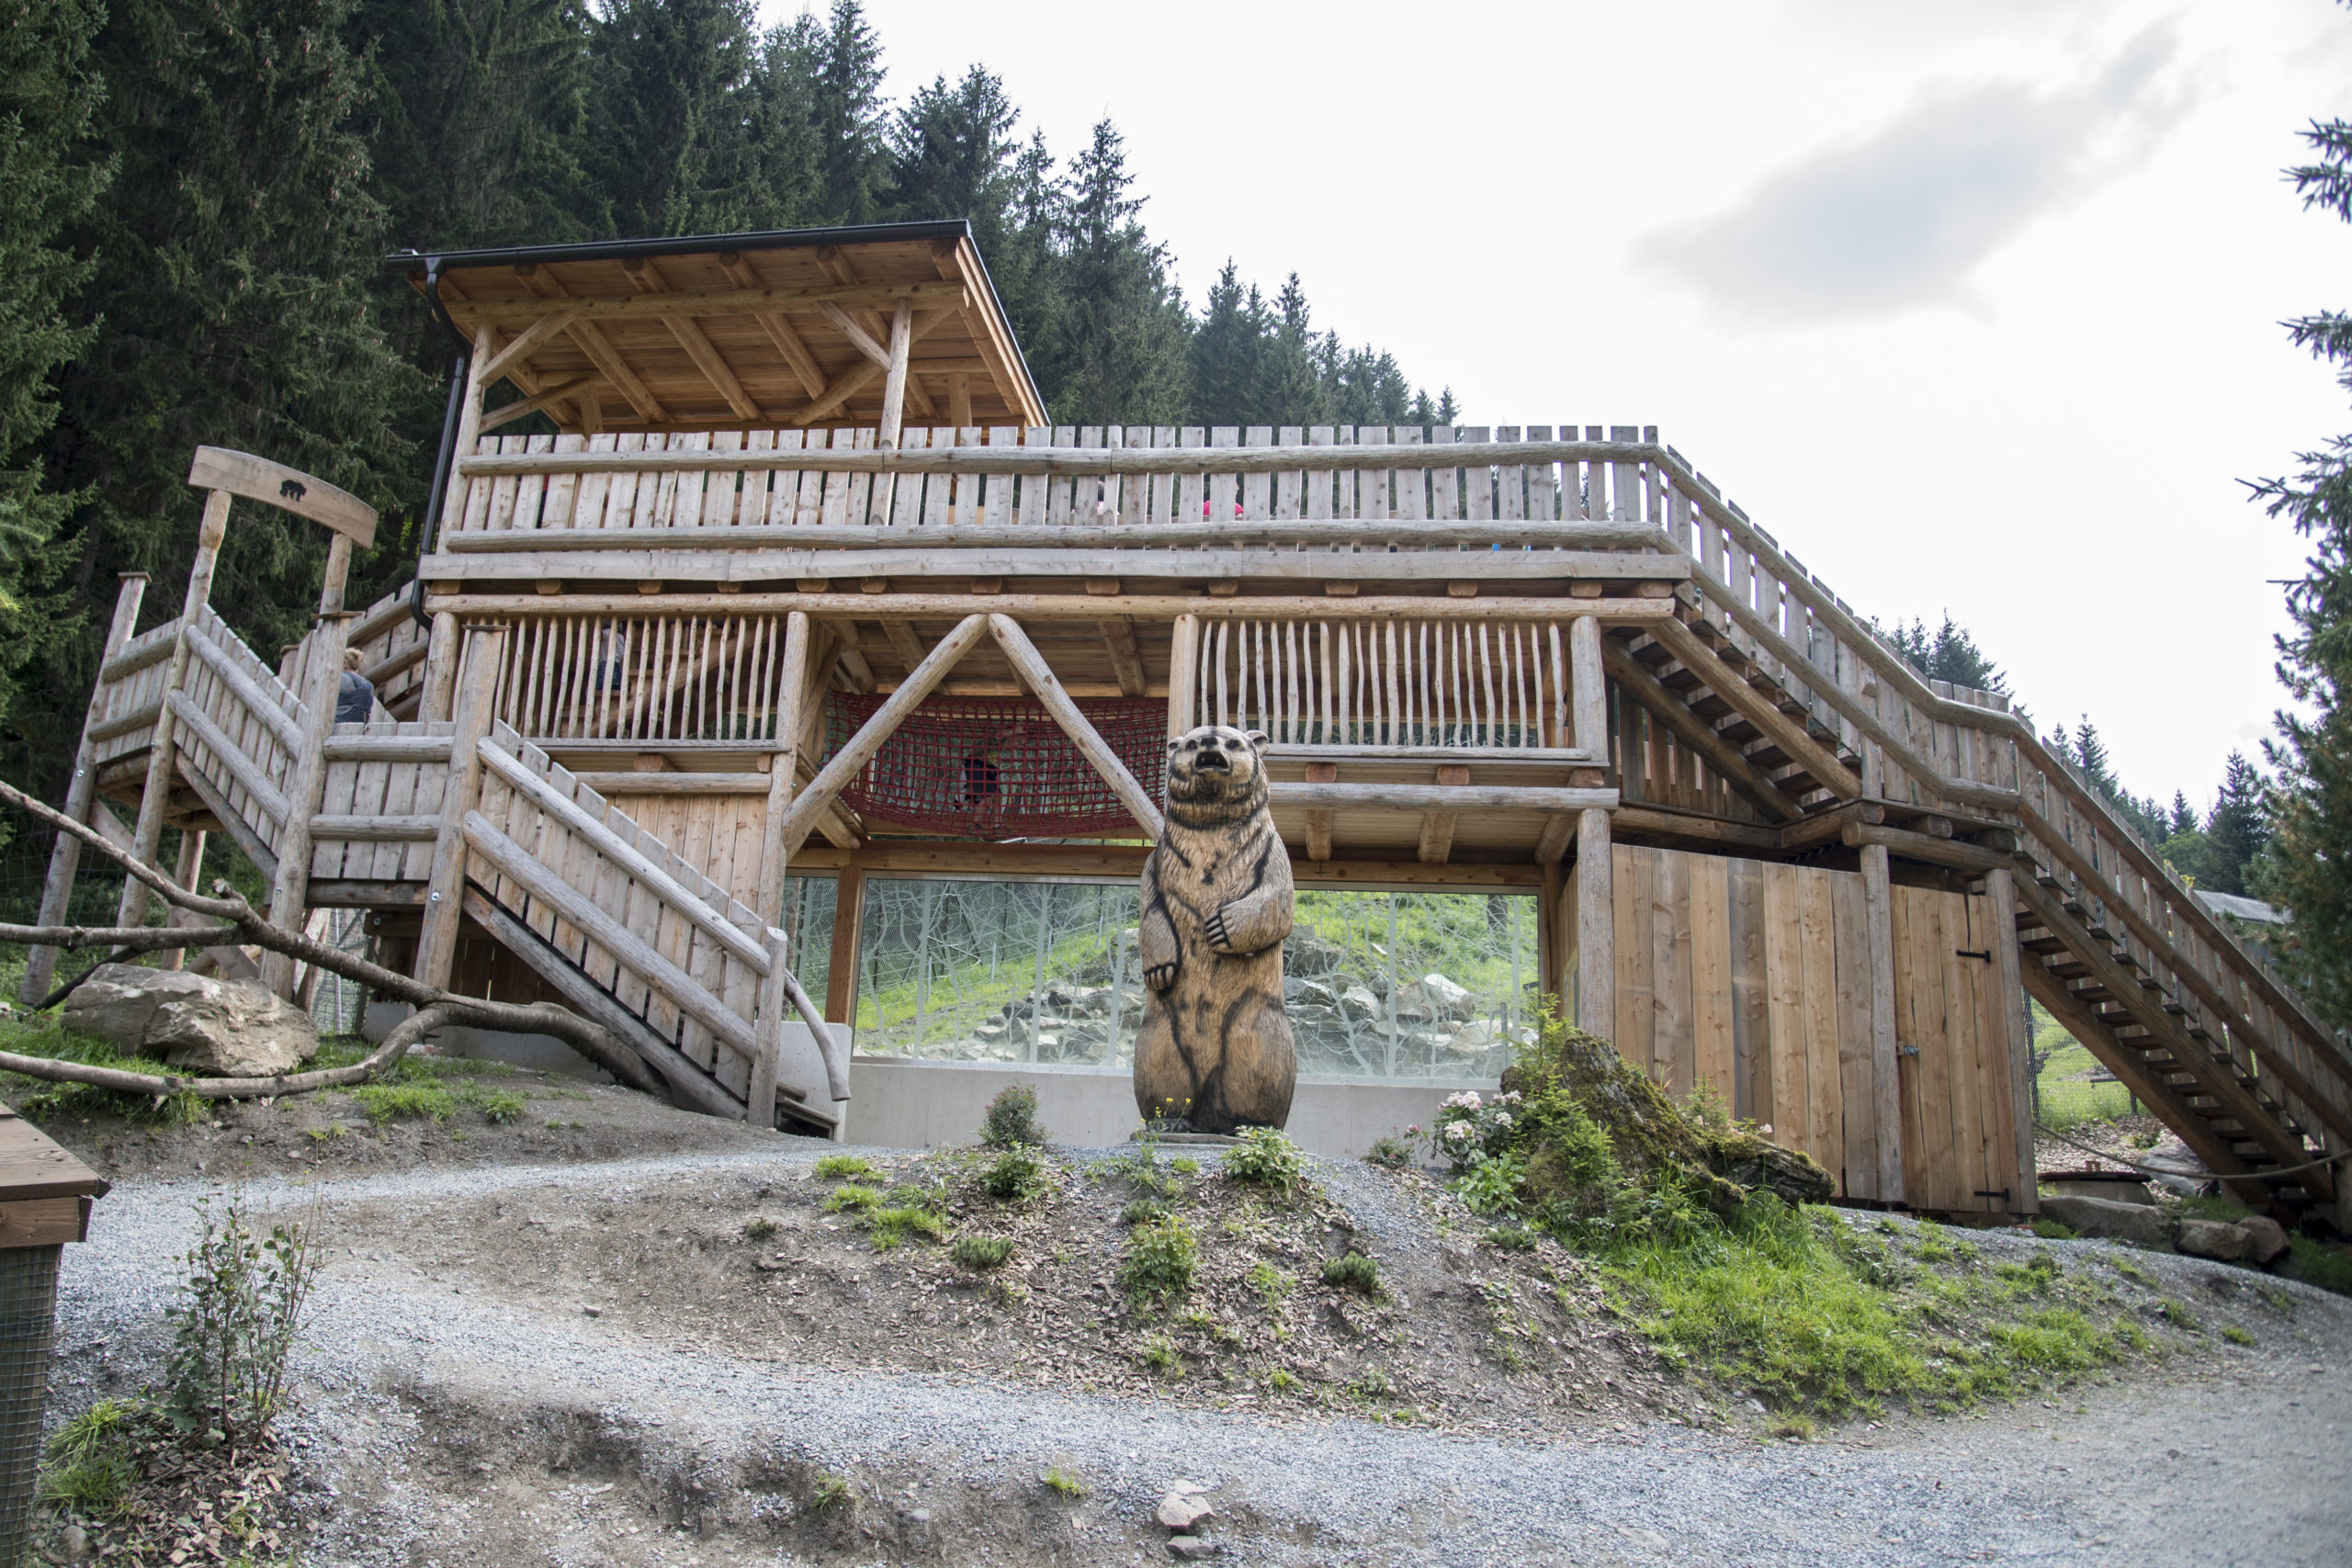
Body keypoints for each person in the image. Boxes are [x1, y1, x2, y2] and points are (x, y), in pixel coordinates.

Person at [335, 646, 375, 724]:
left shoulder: (342, 678)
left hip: (337, 726)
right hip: (358, 730)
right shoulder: (369, 685)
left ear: (345, 663)